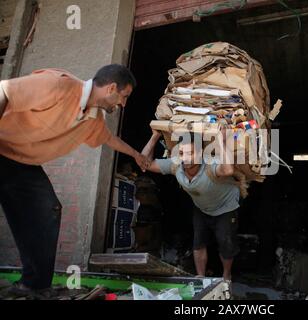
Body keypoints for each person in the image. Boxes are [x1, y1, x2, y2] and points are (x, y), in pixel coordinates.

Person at [0, 64, 150, 298]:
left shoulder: (93, 118)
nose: (123, 104)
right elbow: (4, 91)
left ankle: (34, 285)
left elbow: (109, 139)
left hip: (21, 163)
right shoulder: (59, 85)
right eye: (124, 96)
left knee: (48, 209)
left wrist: (136, 155)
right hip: (2, 147)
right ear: (111, 88)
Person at [141, 129, 239, 281]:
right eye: (181, 153)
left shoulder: (209, 165)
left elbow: (228, 169)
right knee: (198, 242)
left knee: (225, 243)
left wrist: (221, 141)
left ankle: (227, 275)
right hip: (201, 207)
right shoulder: (176, 166)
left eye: (191, 153)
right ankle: (200, 276)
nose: (185, 158)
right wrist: (155, 136)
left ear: (201, 153)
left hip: (225, 206)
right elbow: (145, 164)